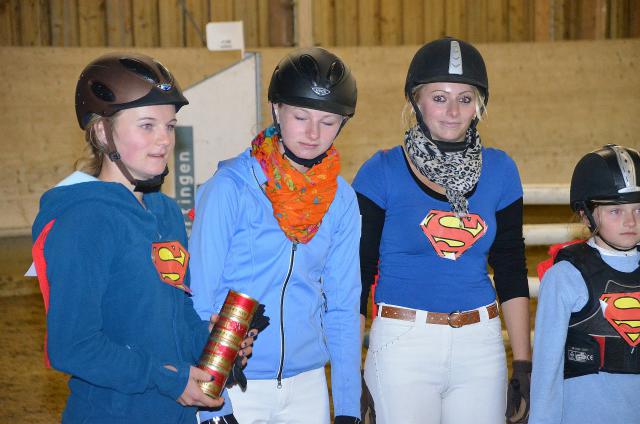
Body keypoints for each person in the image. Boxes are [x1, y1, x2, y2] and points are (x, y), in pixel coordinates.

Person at [31, 53, 253, 423]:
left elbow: (175, 311)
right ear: (103, 133)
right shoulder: (85, 220)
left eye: (170, 126)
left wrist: (211, 343)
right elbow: (72, 346)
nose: (164, 140)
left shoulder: (166, 212)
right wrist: (168, 379)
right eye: (147, 125)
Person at [352, 37, 532, 424]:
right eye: (439, 98)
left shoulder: (501, 170)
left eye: (465, 99)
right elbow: (358, 276)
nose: (452, 111)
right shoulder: (380, 171)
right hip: (402, 344)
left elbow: (511, 267)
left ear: (479, 105)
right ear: (416, 100)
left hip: (481, 344)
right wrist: (351, 368)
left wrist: (523, 363)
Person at [189, 47, 362, 424]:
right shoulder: (229, 188)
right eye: (300, 117)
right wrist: (213, 399)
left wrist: (348, 405)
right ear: (276, 109)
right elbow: (201, 298)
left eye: (328, 121)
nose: (313, 133)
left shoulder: (342, 200)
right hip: (236, 384)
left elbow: (343, 306)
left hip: (308, 386)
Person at [530, 145, 640, 424]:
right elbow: (547, 369)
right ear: (585, 214)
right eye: (615, 211)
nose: (630, 221)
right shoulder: (565, 276)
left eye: (638, 209)